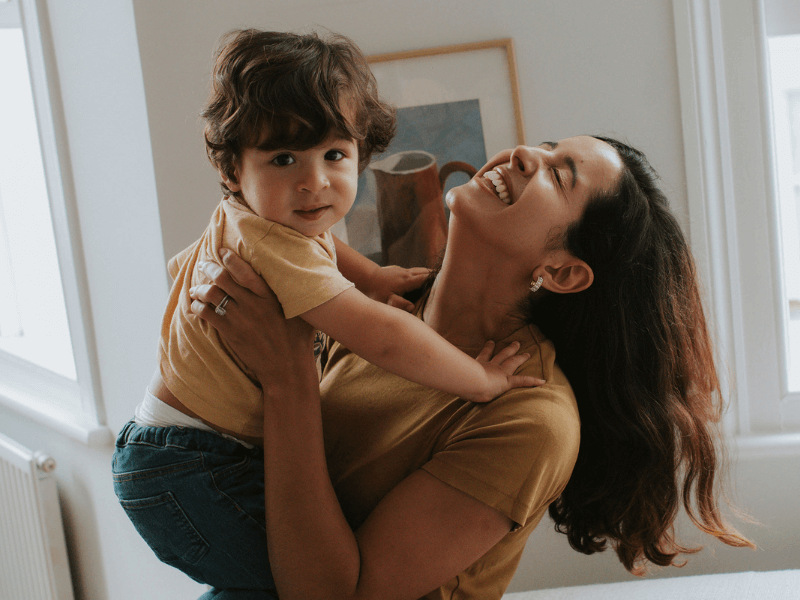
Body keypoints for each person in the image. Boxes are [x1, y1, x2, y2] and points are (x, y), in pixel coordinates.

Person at [188, 135, 755, 600]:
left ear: (562, 273)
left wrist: (287, 377)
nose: (525, 155)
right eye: (546, 145)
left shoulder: (533, 417)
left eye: (559, 176)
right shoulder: (373, 318)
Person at [112, 28, 541, 599]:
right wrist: (480, 379)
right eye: (283, 158)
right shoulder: (270, 242)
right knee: (300, 588)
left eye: (334, 155)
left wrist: (370, 274)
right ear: (233, 170)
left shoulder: (262, 220)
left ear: (361, 151)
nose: (314, 182)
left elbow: (323, 247)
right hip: (193, 467)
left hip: (172, 452)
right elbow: (383, 337)